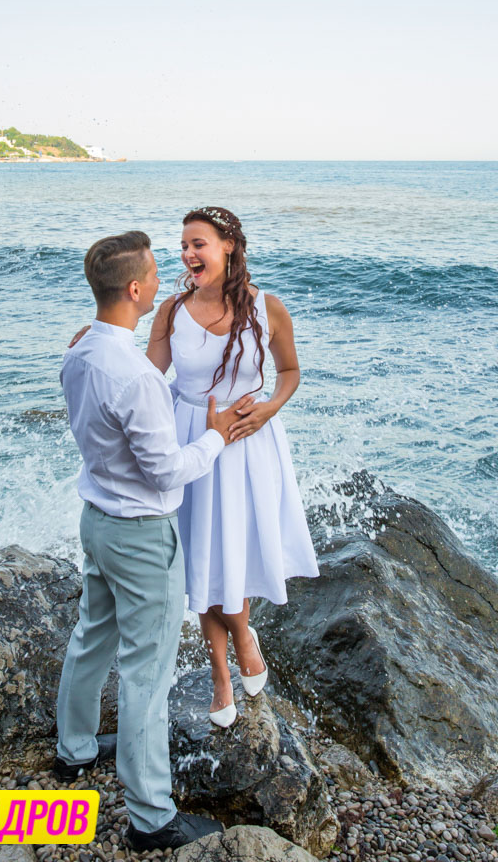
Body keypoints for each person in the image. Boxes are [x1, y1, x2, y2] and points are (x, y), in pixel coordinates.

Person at [55, 230, 250, 852]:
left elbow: (121, 416)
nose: (165, 281)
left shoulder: (81, 352)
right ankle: (150, 817)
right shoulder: (134, 374)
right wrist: (216, 435)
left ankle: (74, 751)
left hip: (98, 521)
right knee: (147, 671)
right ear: (135, 290)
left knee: (92, 635)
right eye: (157, 274)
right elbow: (166, 471)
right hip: (141, 535)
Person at [147, 206, 320, 727]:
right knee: (200, 554)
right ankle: (222, 668)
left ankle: (243, 633)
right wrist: (96, 342)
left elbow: (289, 371)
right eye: (183, 246)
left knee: (231, 549)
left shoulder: (268, 308)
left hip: (247, 442)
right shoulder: (171, 311)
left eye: (198, 243)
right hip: (191, 440)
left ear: (228, 246)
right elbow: (145, 380)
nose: (187, 254)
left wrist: (270, 406)